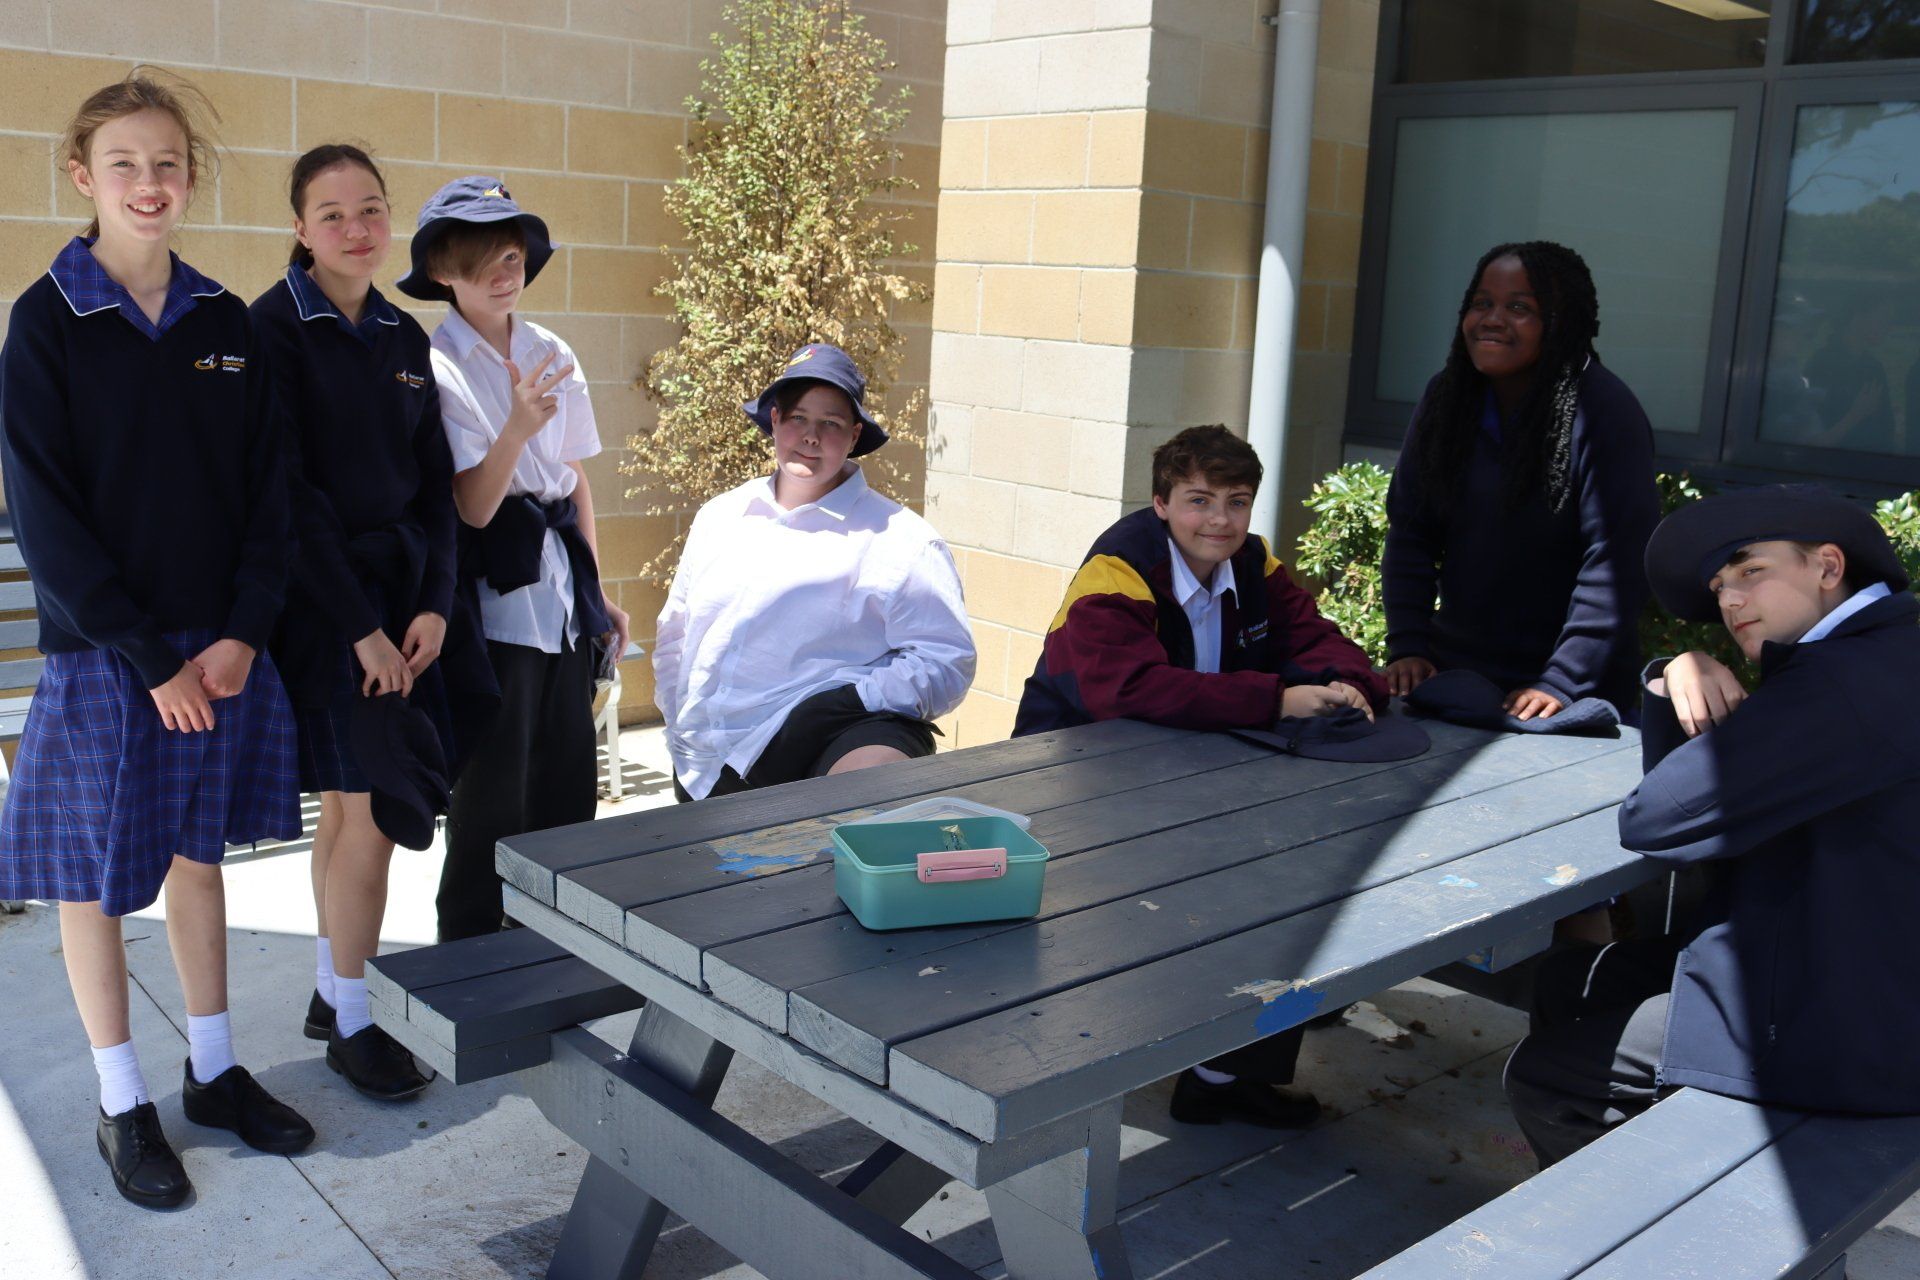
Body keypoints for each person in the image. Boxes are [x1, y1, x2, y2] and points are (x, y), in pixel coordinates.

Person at [0, 72, 313, 1208]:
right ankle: (122, 1100)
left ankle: (215, 1073)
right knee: (95, 882)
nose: (149, 182)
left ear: (191, 178)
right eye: (124, 163)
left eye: (168, 163)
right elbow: (46, 517)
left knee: (198, 858)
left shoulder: (226, 321)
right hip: (110, 657)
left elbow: (271, 496)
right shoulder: (45, 322)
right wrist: (151, 658)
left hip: (218, 653)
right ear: (82, 176)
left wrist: (243, 634)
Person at [1503, 484, 1920, 1168]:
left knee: (1543, 1075)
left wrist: (1674, 679)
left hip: (1850, 1023)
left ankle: (1638, 1216)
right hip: (1835, 951)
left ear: (1827, 566)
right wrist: (1679, 675)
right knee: (1569, 982)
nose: (1730, 600)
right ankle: (1624, 1169)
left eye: (1751, 570)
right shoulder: (1883, 653)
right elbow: (1705, 827)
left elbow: (1655, 820)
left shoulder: (1841, 683)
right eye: (1720, 585)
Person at [1012, 425, 1388, 1128]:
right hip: (1078, 773)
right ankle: (1067, 1064)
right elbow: (1128, 690)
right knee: (1224, 891)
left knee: (1299, 867)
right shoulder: (1117, 571)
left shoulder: (1254, 562)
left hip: (1191, 764)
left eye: (1236, 502)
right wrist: (1274, 699)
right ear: (1161, 504)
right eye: (1198, 500)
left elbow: (1314, 632)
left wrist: (1349, 679)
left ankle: (1223, 1075)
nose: (1219, 520)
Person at [252, 143, 464, 1099]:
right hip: (321, 606)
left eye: (371, 208)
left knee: (348, 808)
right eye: (332, 214)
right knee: (375, 808)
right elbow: (286, 498)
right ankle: (354, 1021)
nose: (355, 228)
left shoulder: (402, 337)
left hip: (398, 601)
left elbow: (434, 488)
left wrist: (433, 604)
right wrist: (358, 628)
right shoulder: (270, 330)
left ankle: (330, 987)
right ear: (300, 228)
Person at [398, 177, 630, 942]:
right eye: (481, 257)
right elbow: (471, 506)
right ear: (442, 270)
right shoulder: (435, 363)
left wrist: (597, 595)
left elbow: (574, 479)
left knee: (566, 791)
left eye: (512, 253)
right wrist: (518, 428)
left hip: (560, 595)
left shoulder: (551, 350)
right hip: (491, 600)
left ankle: (557, 950)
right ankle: (467, 960)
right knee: (491, 798)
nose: (504, 271)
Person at [654, 344, 974, 800]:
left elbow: (946, 660)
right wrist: (678, 724)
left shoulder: (902, 541)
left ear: (855, 435)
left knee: (876, 777)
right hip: (705, 763)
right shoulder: (720, 516)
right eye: (798, 418)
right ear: (775, 421)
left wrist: (850, 700)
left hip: (822, 745)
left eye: (831, 423)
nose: (810, 437)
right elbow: (677, 632)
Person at [1381, 241, 1659, 721]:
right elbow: (1411, 532)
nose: (1491, 319)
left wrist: (1563, 679)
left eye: (1519, 308)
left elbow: (1617, 561)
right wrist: (1408, 645)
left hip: (1566, 692)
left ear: (1560, 321)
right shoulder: (1447, 398)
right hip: (1452, 676)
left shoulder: (1604, 411)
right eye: (1481, 303)